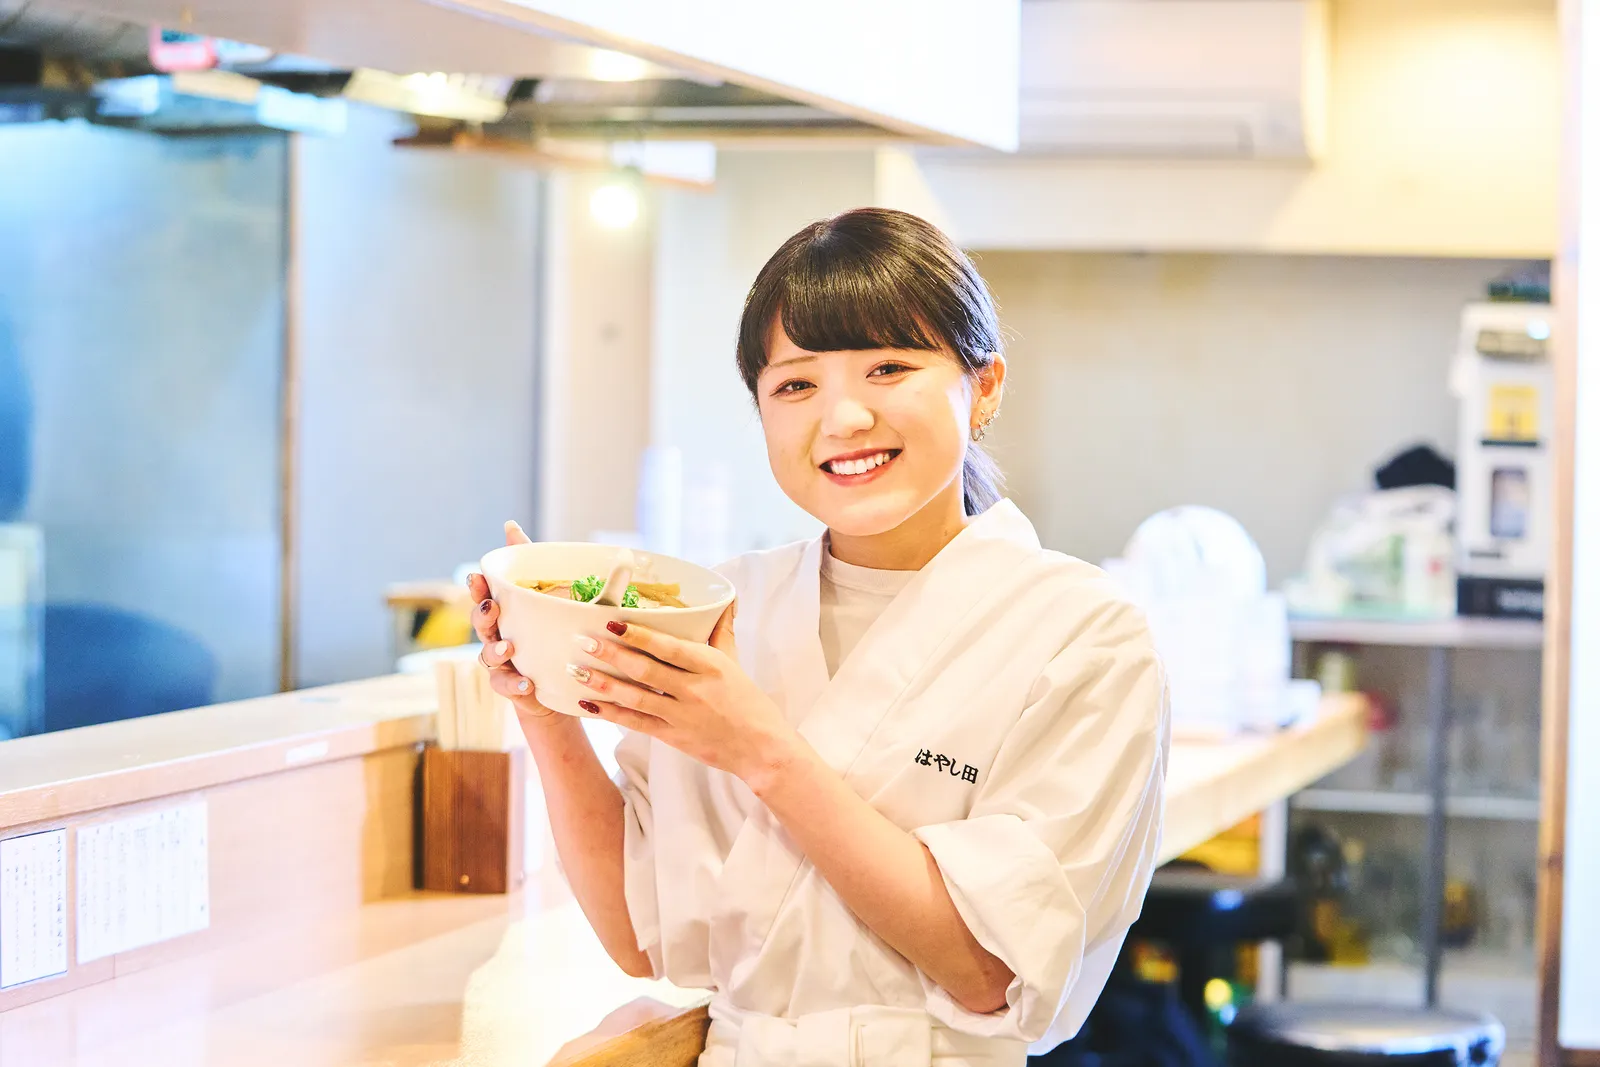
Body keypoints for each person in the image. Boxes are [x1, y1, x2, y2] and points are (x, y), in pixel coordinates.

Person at [467, 208, 1169, 1066]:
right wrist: (545, 702)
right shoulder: (726, 604)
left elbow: (987, 970)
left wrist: (761, 749)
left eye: (889, 368)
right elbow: (636, 933)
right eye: (796, 385)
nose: (842, 420)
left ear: (983, 385)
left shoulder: (1084, 635)